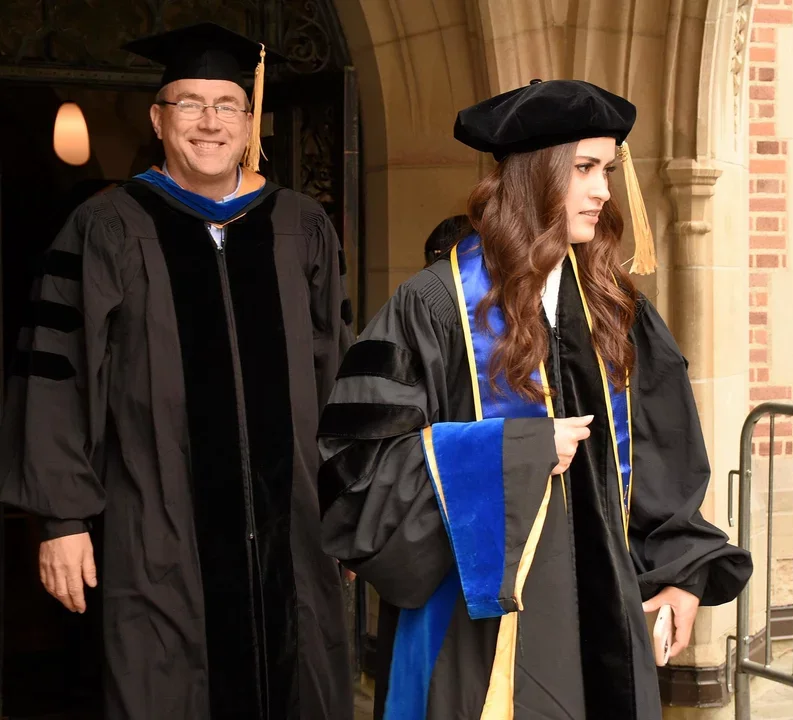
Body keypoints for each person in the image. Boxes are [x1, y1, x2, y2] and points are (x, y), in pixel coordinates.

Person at [316, 79, 753, 719]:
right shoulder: (433, 308)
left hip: (605, 611)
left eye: (606, 169)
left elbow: (666, 452)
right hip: (477, 627)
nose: (603, 190)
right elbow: (356, 470)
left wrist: (681, 573)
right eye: (583, 169)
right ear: (531, 178)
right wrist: (514, 452)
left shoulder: (615, 310)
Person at [0, 23, 354, 720]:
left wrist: (349, 504)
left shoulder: (301, 225)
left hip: (293, 526)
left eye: (226, 104)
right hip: (156, 523)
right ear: (160, 120)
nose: (210, 121)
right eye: (189, 103)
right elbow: (55, 372)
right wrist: (62, 519)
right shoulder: (104, 227)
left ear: (249, 122)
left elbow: (337, 371)